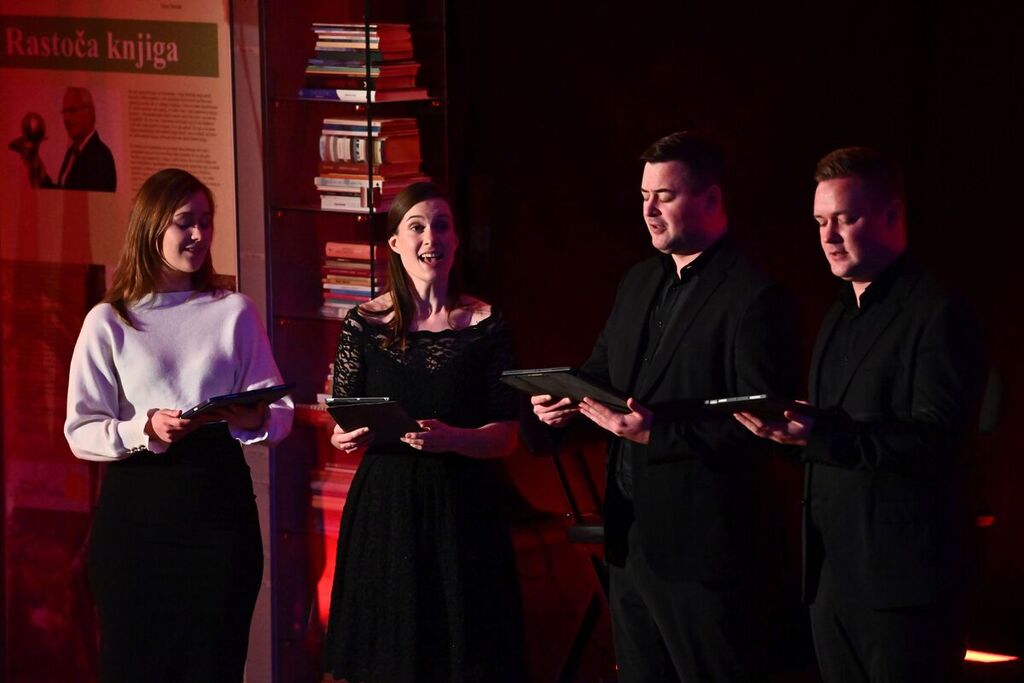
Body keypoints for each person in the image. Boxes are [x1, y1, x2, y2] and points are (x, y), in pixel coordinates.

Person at [532, 131, 797, 682]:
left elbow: (762, 425)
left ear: (710, 198)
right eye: (644, 196)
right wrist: (563, 402)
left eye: (665, 196)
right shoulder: (637, 281)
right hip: (630, 540)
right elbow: (600, 375)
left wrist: (657, 435)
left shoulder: (754, 295)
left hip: (704, 553)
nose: (648, 210)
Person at [735, 147, 987, 682]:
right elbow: (835, 434)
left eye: (845, 219)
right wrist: (786, 433)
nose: (828, 237)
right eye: (820, 222)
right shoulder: (837, 313)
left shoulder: (939, 311)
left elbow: (939, 443)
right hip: (832, 580)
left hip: (906, 587)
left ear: (892, 215)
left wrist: (818, 435)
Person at [64, 167, 293, 681]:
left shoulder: (233, 311)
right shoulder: (110, 320)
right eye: (185, 222)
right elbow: (80, 431)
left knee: (214, 665)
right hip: (137, 520)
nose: (198, 234)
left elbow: (279, 415)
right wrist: (142, 428)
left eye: (206, 222)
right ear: (152, 227)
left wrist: (251, 417)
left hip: (218, 513)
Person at [322, 182, 525, 683]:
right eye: (417, 227)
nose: (431, 237)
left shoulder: (487, 325)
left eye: (441, 226)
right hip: (387, 510)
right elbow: (340, 419)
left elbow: (507, 436)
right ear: (395, 242)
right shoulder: (363, 323)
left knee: (464, 658)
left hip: (464, 508)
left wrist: (454, 438)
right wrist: (342, 438)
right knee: (389, 659)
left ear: (456, 240)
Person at [29, 86, 117, 192]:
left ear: (89, 112)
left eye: (72, 110)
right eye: (64, 112)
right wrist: (39, 169)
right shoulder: (71, 153)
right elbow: (64, 194)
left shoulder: (102, 156)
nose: (66, 118)